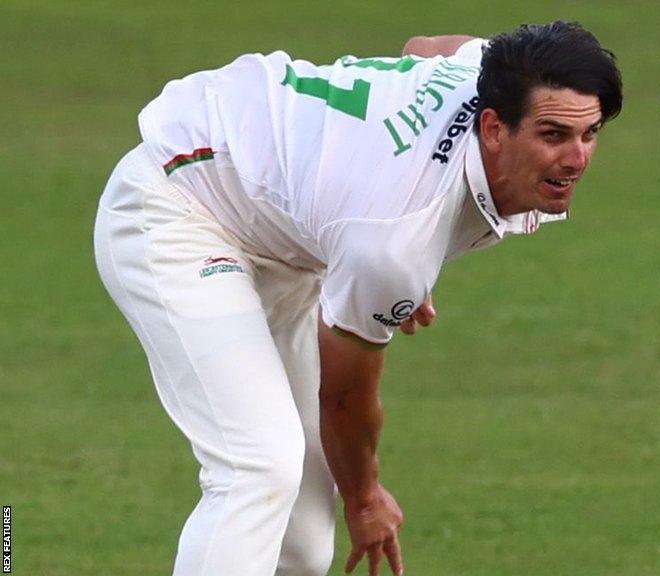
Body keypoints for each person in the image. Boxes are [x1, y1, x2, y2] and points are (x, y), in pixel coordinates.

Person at [93, 20, 622, 576]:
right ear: (493, 127)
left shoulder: (489, 72)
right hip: (178, 206)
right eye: (553, 135)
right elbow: (344, 397)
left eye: (589, 133)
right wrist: (365, 499)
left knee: (302, 540)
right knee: (258, 466)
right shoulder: (393, 238)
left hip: (287, 237)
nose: (577, 158)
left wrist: (391, 252)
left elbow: (426, 49)